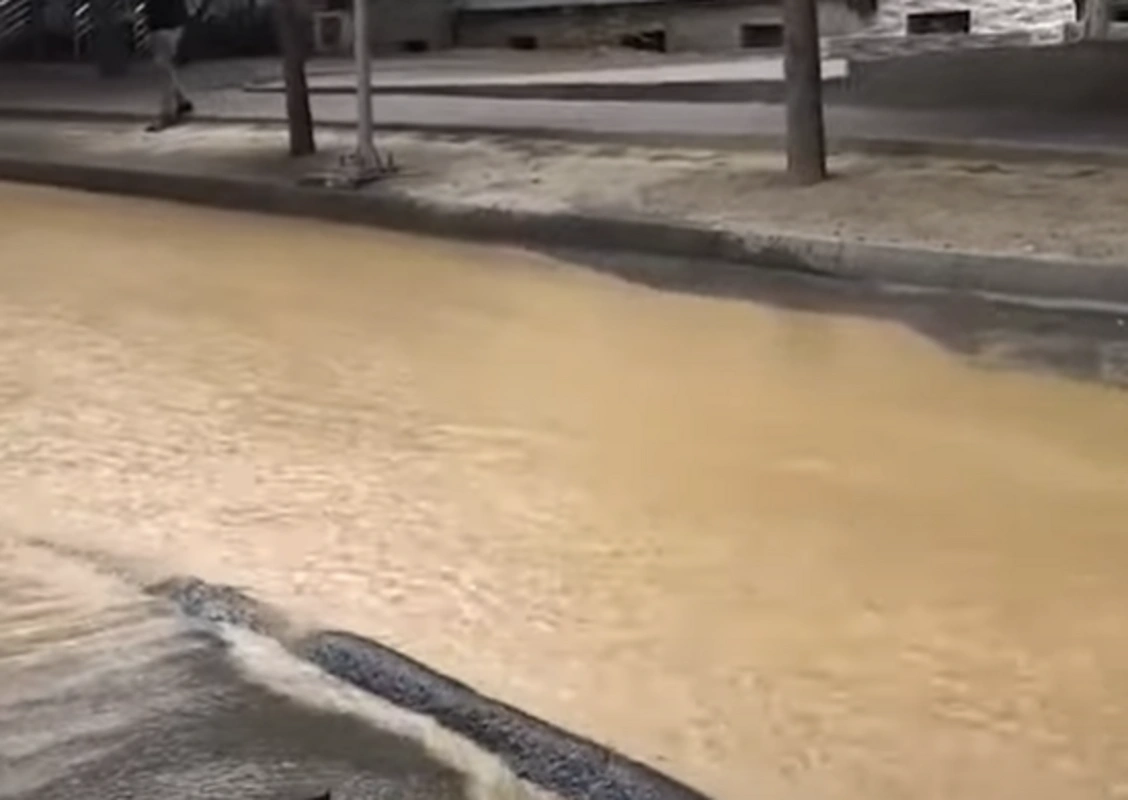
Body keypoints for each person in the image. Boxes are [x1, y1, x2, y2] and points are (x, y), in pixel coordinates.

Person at [146, 0, 193, 131]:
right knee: (164, 66)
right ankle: (182, 101)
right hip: (161, 22)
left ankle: (167, 112)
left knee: (162, 65)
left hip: (167, 23)